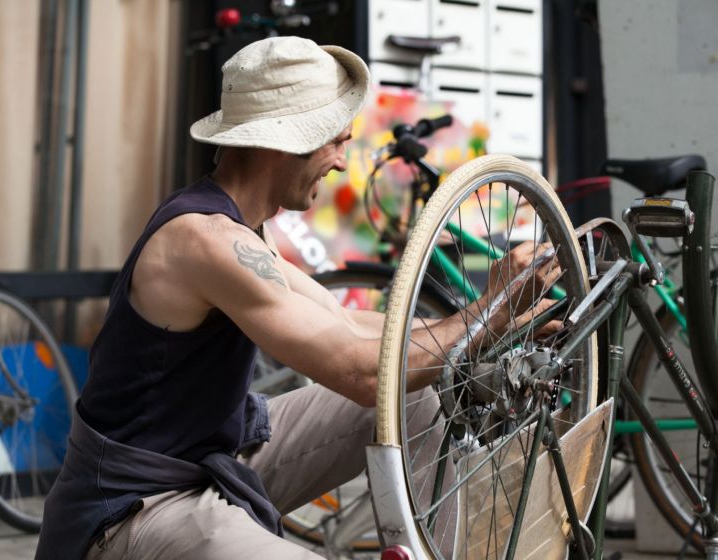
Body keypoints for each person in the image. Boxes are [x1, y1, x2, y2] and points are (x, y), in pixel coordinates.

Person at [36, 36, 557, 560]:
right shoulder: (205, 241)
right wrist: (490, 313)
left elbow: (348, 326)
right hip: (135, 507)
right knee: (387, 383)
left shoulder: (241, 229)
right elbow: (360, 374)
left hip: (211, 452)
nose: (340, 159)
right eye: (334, 140)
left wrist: (498, 319)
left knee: (413, 394)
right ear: (284, 141)